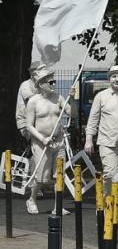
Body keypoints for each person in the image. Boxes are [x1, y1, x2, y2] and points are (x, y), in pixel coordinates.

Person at [24, 67, 71, 214]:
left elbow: (72, 113)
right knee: (41, 177)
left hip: (58, 141)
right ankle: (31, 199)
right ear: (40, 84)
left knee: (60, 175)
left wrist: (73, 98)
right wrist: (42, 138)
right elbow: (29, 126)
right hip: (41, 142)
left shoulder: (59, 98)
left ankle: (58, 205)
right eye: (50, 82)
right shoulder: (33, 101)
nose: (53, 84)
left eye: (53, 81)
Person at [85, 65, 118, 191]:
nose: (116, 79)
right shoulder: (101, 96)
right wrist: (89, 139)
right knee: (111, 174)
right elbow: (93, 119)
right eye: (114, 76)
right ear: (109, 79)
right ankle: (106, 204)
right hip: (107, 141)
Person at [16, 62, 47, 142]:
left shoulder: (41, 86)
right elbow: (33, 102)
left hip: (39, 122)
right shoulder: (26, 86)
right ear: (33, 74)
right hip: (26, 124)